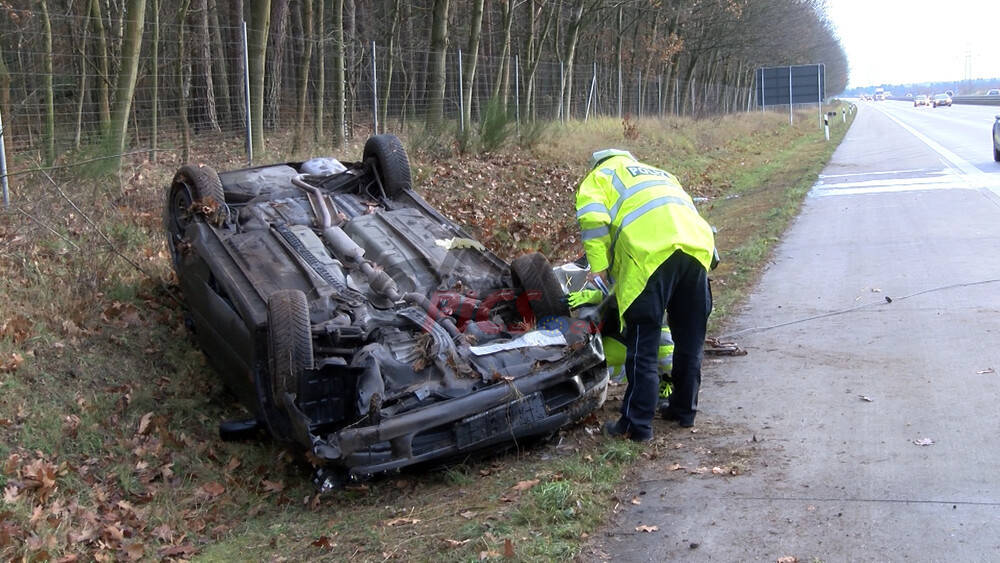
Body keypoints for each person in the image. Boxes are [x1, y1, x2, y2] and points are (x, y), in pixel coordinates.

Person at [574, 148, 716, 441]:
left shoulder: (599, 176)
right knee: (689, 340)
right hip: (696, 251)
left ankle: (636, 426)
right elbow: (687, 212)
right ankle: (684, 410)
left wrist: (599, 269)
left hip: (648, 257)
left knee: (643, 347)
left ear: (597, 163)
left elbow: (592, 219)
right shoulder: (661, 174)